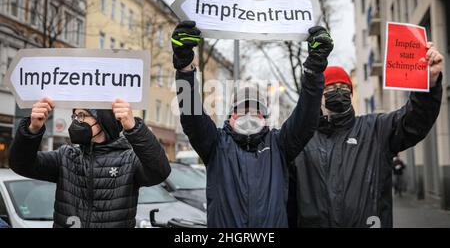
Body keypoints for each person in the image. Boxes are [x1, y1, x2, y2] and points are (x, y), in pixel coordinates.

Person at [171, 21, 333, 227]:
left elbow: (306, 118)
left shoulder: (279, 144)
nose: (249, 115)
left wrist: (314, 70)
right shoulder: (216, 144)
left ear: (265, 116)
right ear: (230, 115)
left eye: (255, 110)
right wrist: (184, 67)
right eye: (242, 110)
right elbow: (191, 115)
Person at [289, 43, 444, 228]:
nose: (338, 91)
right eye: (330, 87)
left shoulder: (375, 129)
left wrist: (428, 85)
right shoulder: (302, 140)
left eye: (343, 87)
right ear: (319, 95)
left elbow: (413, 121)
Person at [9, 98, 171, 228]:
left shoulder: (128, 159)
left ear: (103, 120)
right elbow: (20, 164)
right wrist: (32, 130)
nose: (76, 122)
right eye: (74, 116)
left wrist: (134, 128)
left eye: (82, 116)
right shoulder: (66, 156)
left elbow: (160, 171)